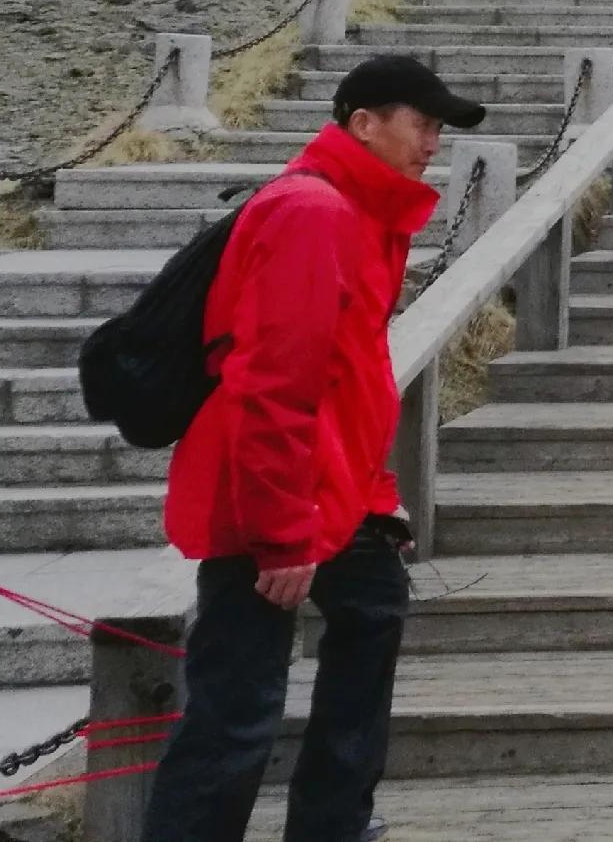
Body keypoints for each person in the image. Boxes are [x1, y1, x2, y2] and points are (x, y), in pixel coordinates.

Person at [143, 53, 484, 842]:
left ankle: (333, 824)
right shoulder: (315, 213)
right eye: (421, 122)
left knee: (372, 613)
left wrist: (374, 491)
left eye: (439, 127)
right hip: (270, 498)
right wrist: (280, 531)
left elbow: (349, 376)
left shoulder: (365, 213)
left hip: (337, 487)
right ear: (363, 123)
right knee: (237, 711)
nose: (433, 141)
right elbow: (273, 384)